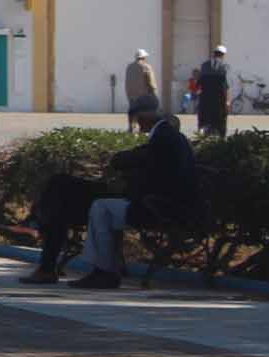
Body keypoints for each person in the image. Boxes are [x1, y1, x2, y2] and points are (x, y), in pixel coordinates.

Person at [25, 108, 203, 289]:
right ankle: (43, 242)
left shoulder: (164, 138)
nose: (138, 126)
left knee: (92, 205)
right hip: (149, 200)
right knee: (61, 190)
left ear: (144, 119)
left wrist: (122, 170)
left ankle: (101, 271)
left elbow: (136, 165)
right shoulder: (169, 138)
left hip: (154, 206)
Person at [194, 45, 231, 138]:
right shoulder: (224, 67)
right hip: (219, 100)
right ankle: (221, 142)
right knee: (221, 122)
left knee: (203, 121)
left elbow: (198, 84)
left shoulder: (204, 65)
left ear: (214, 54)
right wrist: (227, 101)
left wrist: (197, 94)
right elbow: (225, 86)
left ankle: (200, 138)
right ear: (223, 55)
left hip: (205, 99)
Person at [124, 49, 156, 127]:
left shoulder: (129, 67)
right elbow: (151, 83)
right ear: (144, 57)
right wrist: (154, 94)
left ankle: (131, 128)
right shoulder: (146, 67)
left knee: (133, 113)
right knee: (145, 114)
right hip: (144, 96)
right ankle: (144, 129)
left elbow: (127, 81)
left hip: (131, 96)